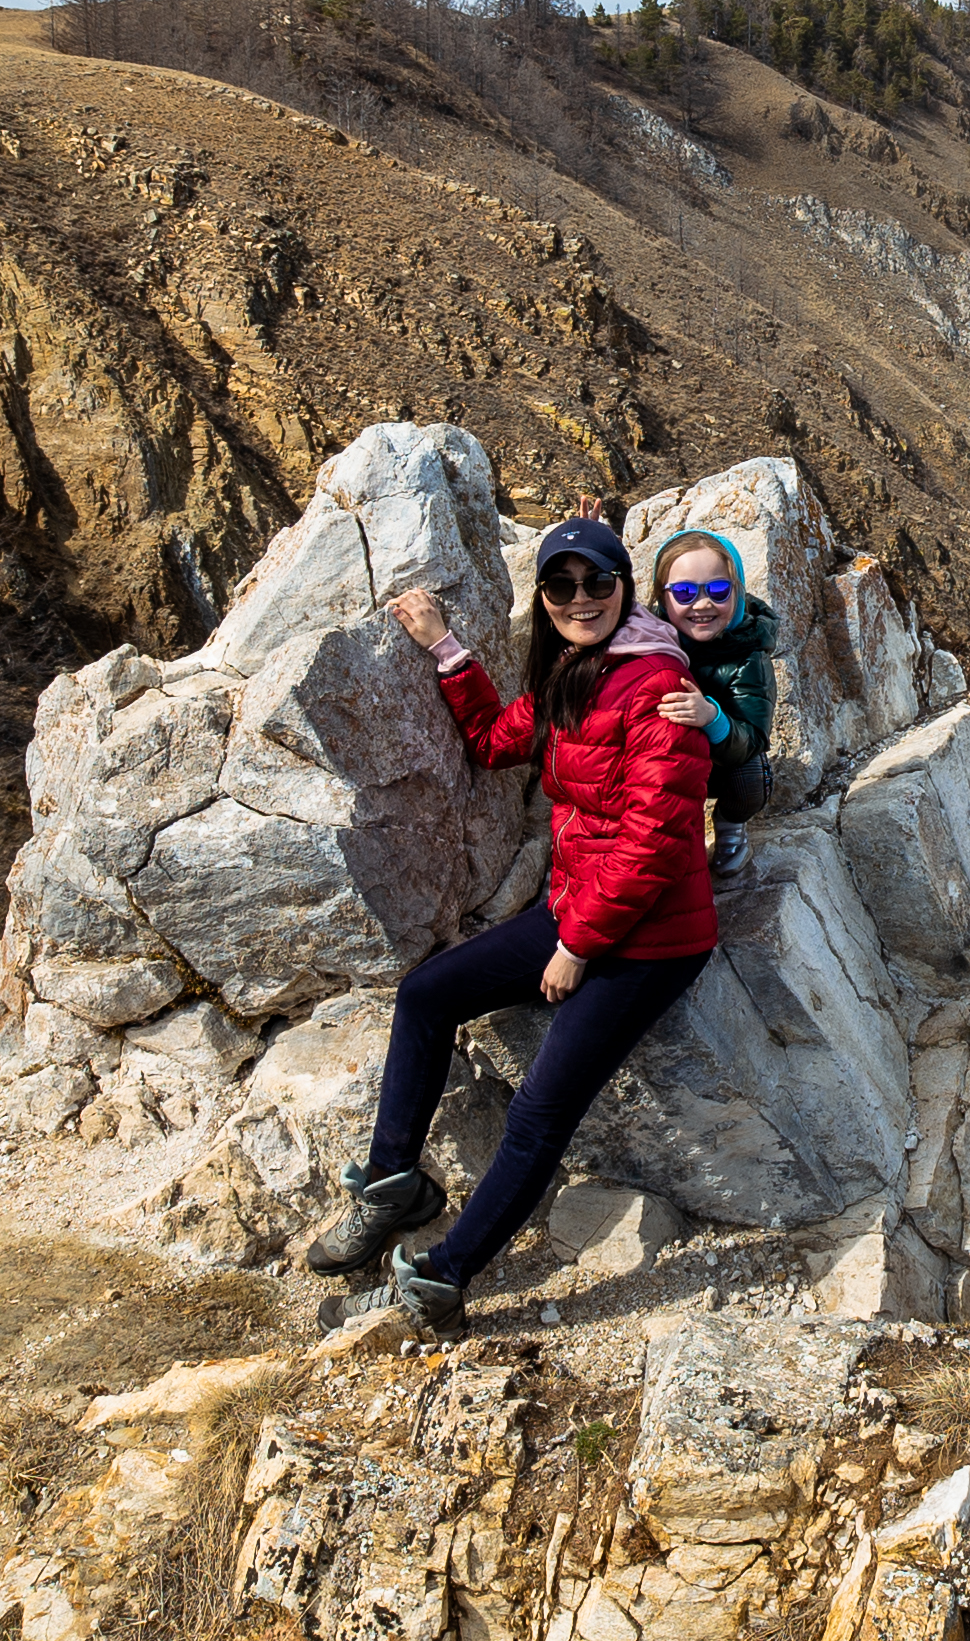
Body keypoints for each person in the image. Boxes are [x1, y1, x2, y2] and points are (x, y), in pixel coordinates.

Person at [303, 515, 716, 1329]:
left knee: (538, 1112)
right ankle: (395, 1185)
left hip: (653, 939)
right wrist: (445, 649)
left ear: (624, 587)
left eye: (598, 582)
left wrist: (575, 946)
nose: (580, 598)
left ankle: (444, 1278)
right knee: (425, 996)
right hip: (580, 907)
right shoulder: (574, 671)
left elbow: (658, 842)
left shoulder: (659, 687)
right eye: (561, 586)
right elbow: (497, 742)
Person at [646, 527, 782, 879]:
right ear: (663, 597)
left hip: (720, 764)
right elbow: (609, 612)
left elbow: (752, 738)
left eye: (719, 591)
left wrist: (711, 717)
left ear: (737, 593)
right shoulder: (649, 631)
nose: (703, 604)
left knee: (752, 776)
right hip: (663, 762)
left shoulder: (748, 658)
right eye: (685, 592)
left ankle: (730, 824)